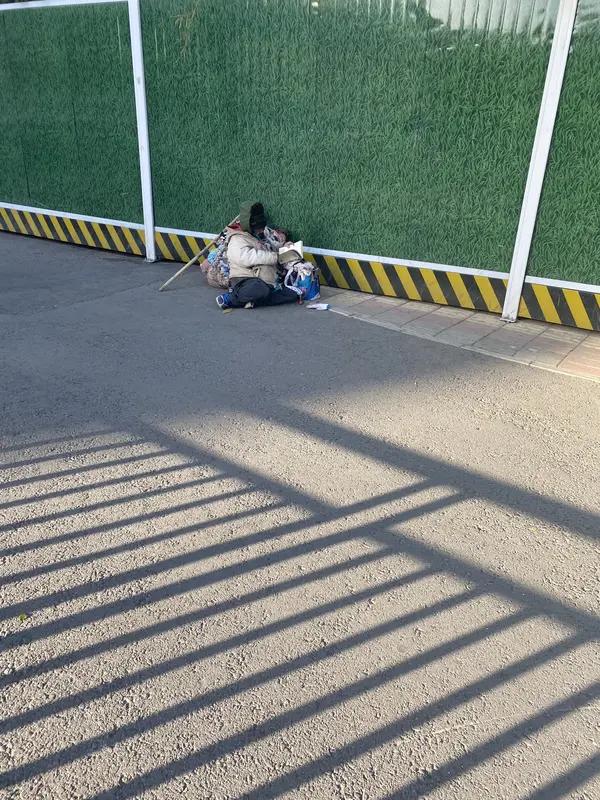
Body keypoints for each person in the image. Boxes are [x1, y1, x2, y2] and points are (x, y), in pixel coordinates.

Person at [216, 201, 300, 310]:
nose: (260, 231)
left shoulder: (256, 235)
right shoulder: (237, 239)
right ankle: (230, 298)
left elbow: (270, 247)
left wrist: (285, 247)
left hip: (265, 281)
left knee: (292, 295)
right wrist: (276, 257)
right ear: (249, 225)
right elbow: (246, 258)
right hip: (245, 280)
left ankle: (254, 300)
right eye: (258, 228)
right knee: (260, 289)